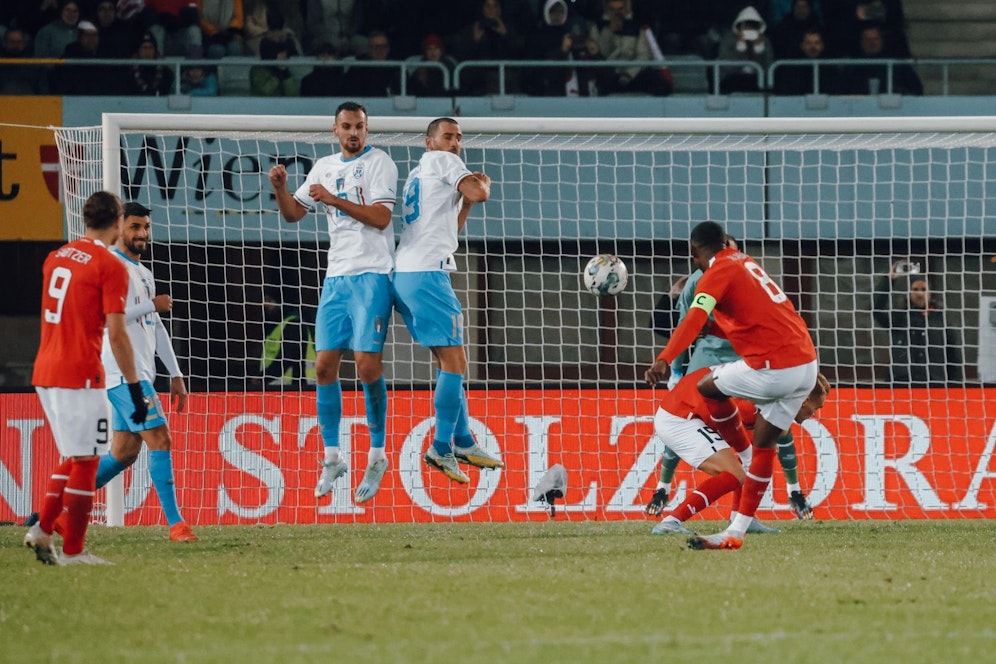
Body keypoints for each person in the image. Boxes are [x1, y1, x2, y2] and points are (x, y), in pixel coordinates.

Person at [645, 220, 819, 551]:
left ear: (693, 251)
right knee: (761, 450)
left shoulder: (715, 273)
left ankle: (683, 513)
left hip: (771, 369)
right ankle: (736, 530)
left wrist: (666, 358)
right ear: (726, 242)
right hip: (804, 362)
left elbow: (693, 320)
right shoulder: (747, 262)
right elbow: (753, 321)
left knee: (712, 388)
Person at [268, 101, 397, 505]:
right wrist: (280, 188)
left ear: (367, 129)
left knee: (366, 365)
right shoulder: (323, 167)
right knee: (323, 366)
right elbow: (293, 215)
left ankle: (377, 455)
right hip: (336, 279)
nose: (354, 132)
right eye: (347, 126)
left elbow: (381, 218)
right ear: (334, 129)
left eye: (360, 126)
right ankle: (333, 457)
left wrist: (335, 200)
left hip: (373, 275)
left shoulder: (380, 163)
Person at [24, 190, 148, 566]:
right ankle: (74, 550)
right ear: (116, 222)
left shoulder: (55, 257)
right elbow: (117, 332)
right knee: (89, 461)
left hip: (45, 370)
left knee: (79, 457)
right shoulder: (109, 266)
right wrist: (134, 387)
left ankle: (42, 529)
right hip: (80, 372)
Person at [393, 117, 505, 483]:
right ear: (430, 142)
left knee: (448, 362)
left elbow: (448, 229)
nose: (455, 143)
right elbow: (481, 192)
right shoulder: (443, 161)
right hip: (426, 274)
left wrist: (466, 202)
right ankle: (442, 447)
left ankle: (463, 439)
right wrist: (482, 184)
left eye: (458, 137)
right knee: (456, 361)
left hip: (408, 273)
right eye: (448, 136)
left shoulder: (418, 174)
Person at [92, 202, 198, 543]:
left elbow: (155, 325)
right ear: (120, 227)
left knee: (123, 453)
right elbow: (112, 317)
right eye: (135, 227)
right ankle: (177, 525)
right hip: (123, 372)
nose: (142, 234)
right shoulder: (112, 266)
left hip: (139, 372)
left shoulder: (143, 272)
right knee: (161, 439)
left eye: (146, 228)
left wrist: (176, 372)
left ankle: (55, 510)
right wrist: (153, 304)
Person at [651, 368, 830, 536]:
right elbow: (726, 421)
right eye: (817, 407)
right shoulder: (755, 403)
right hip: (679, 417)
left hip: (692, 412)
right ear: (804, 401)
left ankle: (742, 519)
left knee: (752, 461)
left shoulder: (774, 398)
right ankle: (671, 521)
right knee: (735, 473)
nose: (814, 413)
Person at [872, 259, 963, 385]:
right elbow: (876, 309)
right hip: (901, 383)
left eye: (923, 289)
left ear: (930, 293)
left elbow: (954, 359)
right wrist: (888, 280)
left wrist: (955, 388)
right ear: (908, 293)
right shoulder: (899, 319)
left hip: (934, 385)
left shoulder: (942, 323)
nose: (919, 293)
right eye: (915, 289)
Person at [253, 286, 312, 388]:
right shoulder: (279, 325)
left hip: (294, 387)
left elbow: (287, 358)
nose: (265, 304)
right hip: (283, 386)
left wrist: (262, 377)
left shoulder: (294, 324)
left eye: (269, 300)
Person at [841, 24, 922, 95]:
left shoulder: (896, 65)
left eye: (875, 39)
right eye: (867, 39)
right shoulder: (853, 66)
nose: (872, 43)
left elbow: (916, 90)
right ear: (861, 42)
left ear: (882, 41)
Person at [715, 5, 773, 93]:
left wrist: (759, 49)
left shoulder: (764, 41)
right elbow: (726, 67)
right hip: (733, 79)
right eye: (746, 25)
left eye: (753, 25)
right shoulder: (728, 40)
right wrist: (740, 48)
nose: (749, 29)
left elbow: (768, 68)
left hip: (757, 80)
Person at [772, 27, 841, 95]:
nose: (813, 47)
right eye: (808, 43)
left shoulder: (830, 68)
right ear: (802, 46)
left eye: (817, 43)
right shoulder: (792, 68)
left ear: (822, 46)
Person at [250, 8, 301, 96]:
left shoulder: (289, 42)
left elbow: (293, 94)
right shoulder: (258, 71)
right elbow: (266, 92)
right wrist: (279, 72)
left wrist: (284, 71)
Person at [126, 30, 176, 95]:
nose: (147, 51)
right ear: (138, 51)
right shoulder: (129, 72)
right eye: (144, 48)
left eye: (150, 48)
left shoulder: (166, 73)